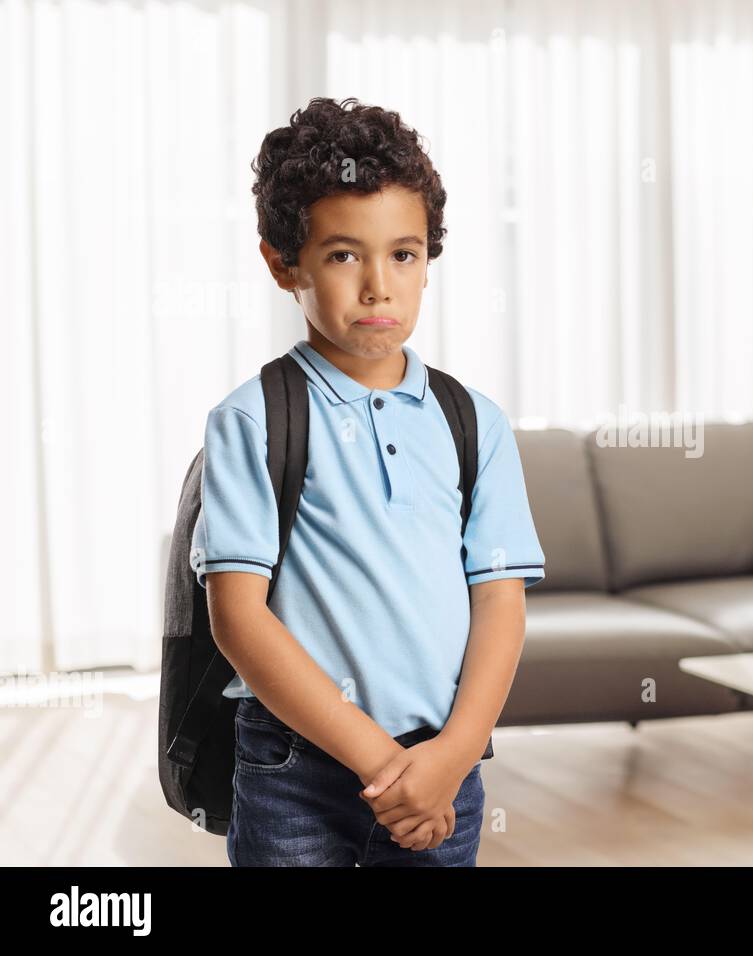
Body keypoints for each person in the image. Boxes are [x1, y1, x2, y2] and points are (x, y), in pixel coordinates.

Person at [191, 96, 545, 866]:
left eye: (404, 253)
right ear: (283, 262)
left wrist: (451, 756)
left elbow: (501, 606)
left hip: (445, 769)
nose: (379, 286)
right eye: (345, 254)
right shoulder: (254, 420)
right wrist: (388, 769)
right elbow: (239, 622)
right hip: (296, 772)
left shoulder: (473, 421)